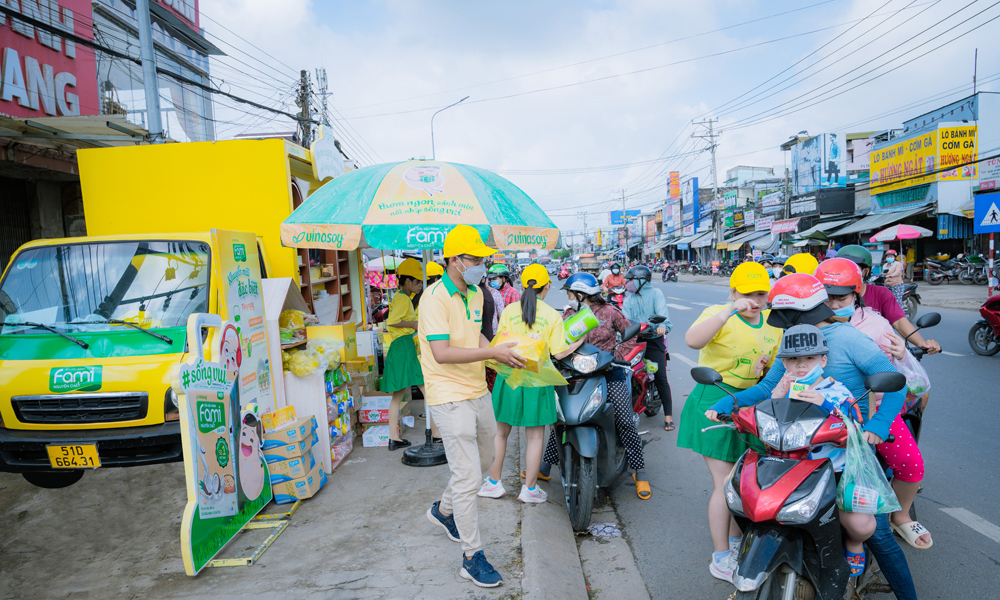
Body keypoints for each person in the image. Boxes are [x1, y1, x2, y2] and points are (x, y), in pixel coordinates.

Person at [706, 274, 913, 594]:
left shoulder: (848, 338)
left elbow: (893, 381)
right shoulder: (792, 343)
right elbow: (766, 390)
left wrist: (876, 427)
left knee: (876, 533)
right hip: (797, 447)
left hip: (846, 445)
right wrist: (727, 404)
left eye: (782, 316)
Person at [420, 225, 527, 589]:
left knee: (483, 462)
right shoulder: (434, 298)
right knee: (468, 477)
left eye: (483, 259)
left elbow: (475, 336)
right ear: (453, 260)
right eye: (474, 259)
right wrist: (492, 352)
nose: (481, 265)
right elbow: (442, 352)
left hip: (477, 388)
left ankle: (443, 510)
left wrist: (501, 351)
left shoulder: (477, 294)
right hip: (447, 394)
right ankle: (472, 556)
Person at [815, 258, 932, 549]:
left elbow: (901, 378)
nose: (832, 305)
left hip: (874, 410)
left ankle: (900, 515)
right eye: (826, 298)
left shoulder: (876, 324)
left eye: (840, 298)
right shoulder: (808, 323)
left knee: (911, 464)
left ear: (856, 294)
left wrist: (903, 353)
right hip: (822, 408)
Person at [679, 261, 781, 582]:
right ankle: (721, 556)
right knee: (726, 483)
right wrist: (728, 311)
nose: (754, 301)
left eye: (761, 294)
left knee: (746, 481)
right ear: (733, 291)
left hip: (752, 404)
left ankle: (737, 543)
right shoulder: (717, 314)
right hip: (714, 400)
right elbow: (692, 341)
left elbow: (774, 372)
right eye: (747, 294)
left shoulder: (773, 322)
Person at [767, 323, 874, 577]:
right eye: (793, 359)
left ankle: (854, 544)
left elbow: (856, 428)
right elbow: (769, 421)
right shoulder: (784, 389)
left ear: (823, 360)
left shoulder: (837, 390)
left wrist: (825, 403)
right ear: (784, 364)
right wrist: (776, 398)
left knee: (861, 525)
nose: (801, 365)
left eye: (809, 358)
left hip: (833, 471)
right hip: (790, 468)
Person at [543, 272, 653, 499]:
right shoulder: (569, 314)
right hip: (575, 373)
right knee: (565, 416)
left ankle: (639, 470)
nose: (568, 296)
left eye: (571, 293)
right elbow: (557, 339)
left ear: (581, 294)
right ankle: (546, 465)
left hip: (608, 372)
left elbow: (629, 331)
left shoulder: (610, 312)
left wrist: (618, 354)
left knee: (623, 418)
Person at [479, 265, 582, 504]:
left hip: (509, 378)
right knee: (535, 438)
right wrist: (578, 342)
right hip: (538, 380)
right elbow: (558, 353)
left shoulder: (509, 311)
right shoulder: (552, 314)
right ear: (547, 285)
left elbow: (500, 343)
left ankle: (494, 484)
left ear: (522, 285)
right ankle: (530, 490)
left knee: (500, 434)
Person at [836, 245, 941, 355]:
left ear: (866, 271)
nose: (845, 272)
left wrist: (922, 343)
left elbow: (899, 322)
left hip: (875, 356)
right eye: (841, 268)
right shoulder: (828, 295)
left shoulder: (881, 294)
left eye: (852, 268)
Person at [622, 265, 674, 430]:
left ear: (641, 281)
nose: (628, 283)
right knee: (623, 374)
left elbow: (664, 317)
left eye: (631, 280)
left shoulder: (656, 294)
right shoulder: (628, 299)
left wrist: (661, 326)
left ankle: (668, 416)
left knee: (660, 378)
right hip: (633, 341)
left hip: (653, 339)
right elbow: (625, 321)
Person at [383, 258, 427, 451]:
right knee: (426, 389)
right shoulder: (402, 298)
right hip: (403, 347)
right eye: (417, 282)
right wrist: (414, 324)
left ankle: (394, 438)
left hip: (402, 346)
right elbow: (391, 322)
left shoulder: (403, 297)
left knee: (398, 396)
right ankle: (436, 433)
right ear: (407, 281)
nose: (419, 286)